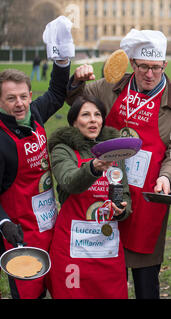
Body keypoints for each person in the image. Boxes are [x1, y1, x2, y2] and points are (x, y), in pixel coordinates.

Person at [66, 29, 171, 299]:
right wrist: (76, 81)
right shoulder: (108, 87)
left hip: (148, 198)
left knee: (146, 282)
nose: (149, 74)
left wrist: (167, 179)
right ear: (132, 64)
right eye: (144, 67)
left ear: (165, 66)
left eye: (156, 68)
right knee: (108, 278)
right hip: (104, 191)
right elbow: (75, 102)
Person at [0, 16, 74, 299]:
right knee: (28, 293)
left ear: (30, 96)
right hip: (19, 232)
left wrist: (62, 60)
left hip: (48, 223)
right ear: (0, 102)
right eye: (11, 99)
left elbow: (56, 92)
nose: (19, 104)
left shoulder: (35, 114)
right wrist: (4, 223)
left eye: (23, 96)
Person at [47, 95, 131, 299]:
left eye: (98, 115)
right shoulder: (62, 149)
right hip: (73, 250)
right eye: (86, 115)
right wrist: (93, 168)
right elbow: (69, 182)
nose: (93, 120)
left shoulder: (114, 152)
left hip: (107, 250)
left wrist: (121, 210)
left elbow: (125, 195)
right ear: (74, 121)